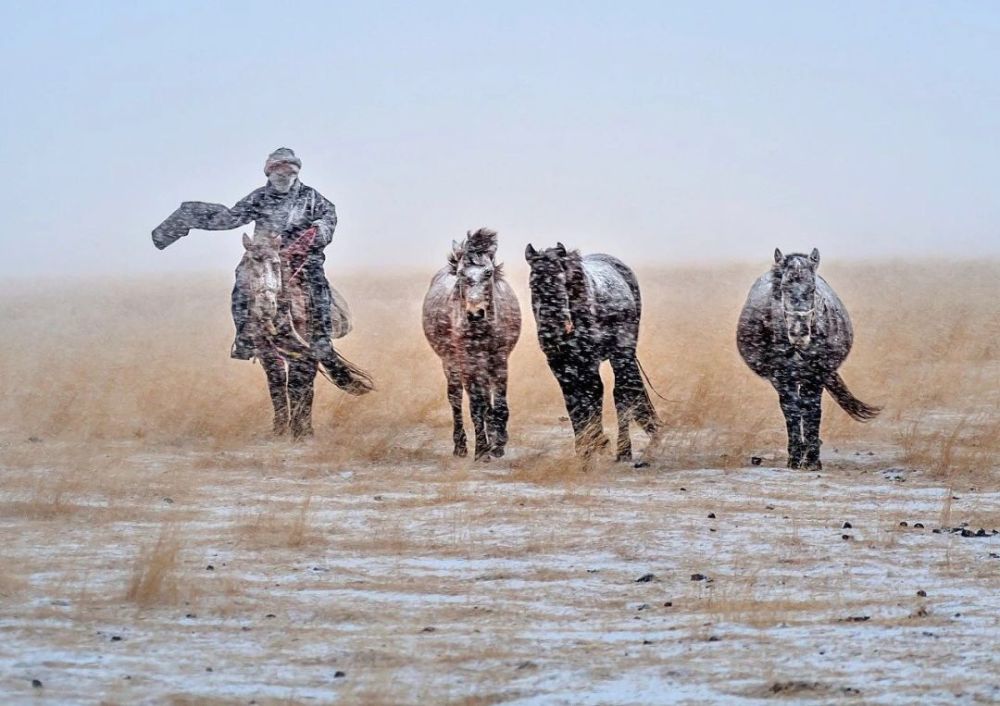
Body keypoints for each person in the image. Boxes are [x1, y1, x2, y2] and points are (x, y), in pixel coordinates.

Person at [152, 148, 368, 393]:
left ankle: (321, 342)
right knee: (241, 282)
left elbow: (328, 218)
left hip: (303, 260)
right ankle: (245, 338)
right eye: (278, 169)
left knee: (317, 289)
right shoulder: (259, 197)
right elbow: (231, 217)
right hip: (264, 257)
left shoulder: (312, 197)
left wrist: (314, 233)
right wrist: (186, 217)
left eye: (289, 169)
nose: (283, 174)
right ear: (269, 172)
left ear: (296, 172)